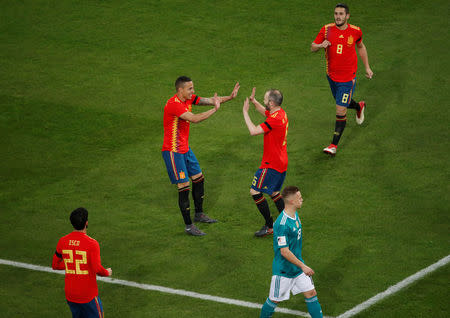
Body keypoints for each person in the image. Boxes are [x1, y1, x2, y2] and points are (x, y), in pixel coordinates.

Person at [162, 76, 240, 236]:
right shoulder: (174, 104)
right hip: (173, 151)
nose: (193, 91)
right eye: (190, 88)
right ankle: (189, 226)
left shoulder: (189, 99)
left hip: (185, 149)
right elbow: (195, 119)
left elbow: (210, 100)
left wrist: (230, 97)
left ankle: (199, 214)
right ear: (180, 90)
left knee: (199, 178)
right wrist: (215, 109)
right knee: (184, 187)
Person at [311, 3, 373, 156]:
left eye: (341, 14)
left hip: (347, 79)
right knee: (342, 102)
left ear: (347, 16)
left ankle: (333, 145)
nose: (338, 16)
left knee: (340, 109)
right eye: (336, 14)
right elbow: (312, 47)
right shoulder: (326, 30)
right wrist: (320, 45)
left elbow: (361, 47)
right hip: (331, 76)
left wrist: (367, 68)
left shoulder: (356, 31)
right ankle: (359, 106)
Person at [259, 186, 323, 318]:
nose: (302, 200)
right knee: (273, 300)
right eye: (299, 198)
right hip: (284, 271)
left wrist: (300, 266)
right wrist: (303, 266)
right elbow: (284, 252)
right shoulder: (282, 224)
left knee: (311, 293)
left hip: (297, 268)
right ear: (292, 201)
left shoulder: (294, 214)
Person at [243, 88, 288, 237]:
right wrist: (255, 102)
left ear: (272, 102)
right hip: (281, 161)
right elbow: (266, 113)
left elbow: (253, 131)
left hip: (271, 164)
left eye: (265, 99)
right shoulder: (281, 114)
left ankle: (270, 226)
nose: (263, 101)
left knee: (255, 191)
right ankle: (289, 223)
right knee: (274, 192)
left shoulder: (274, 119)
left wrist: (245, 112)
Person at [52, 207, 112, 318]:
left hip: (70, 294)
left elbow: (55, 265)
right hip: (87, 295)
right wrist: (107, 272)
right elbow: (97, 269)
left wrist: (72, 263)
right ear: (86, 223)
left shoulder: (62, 241)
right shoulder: (92, 244)